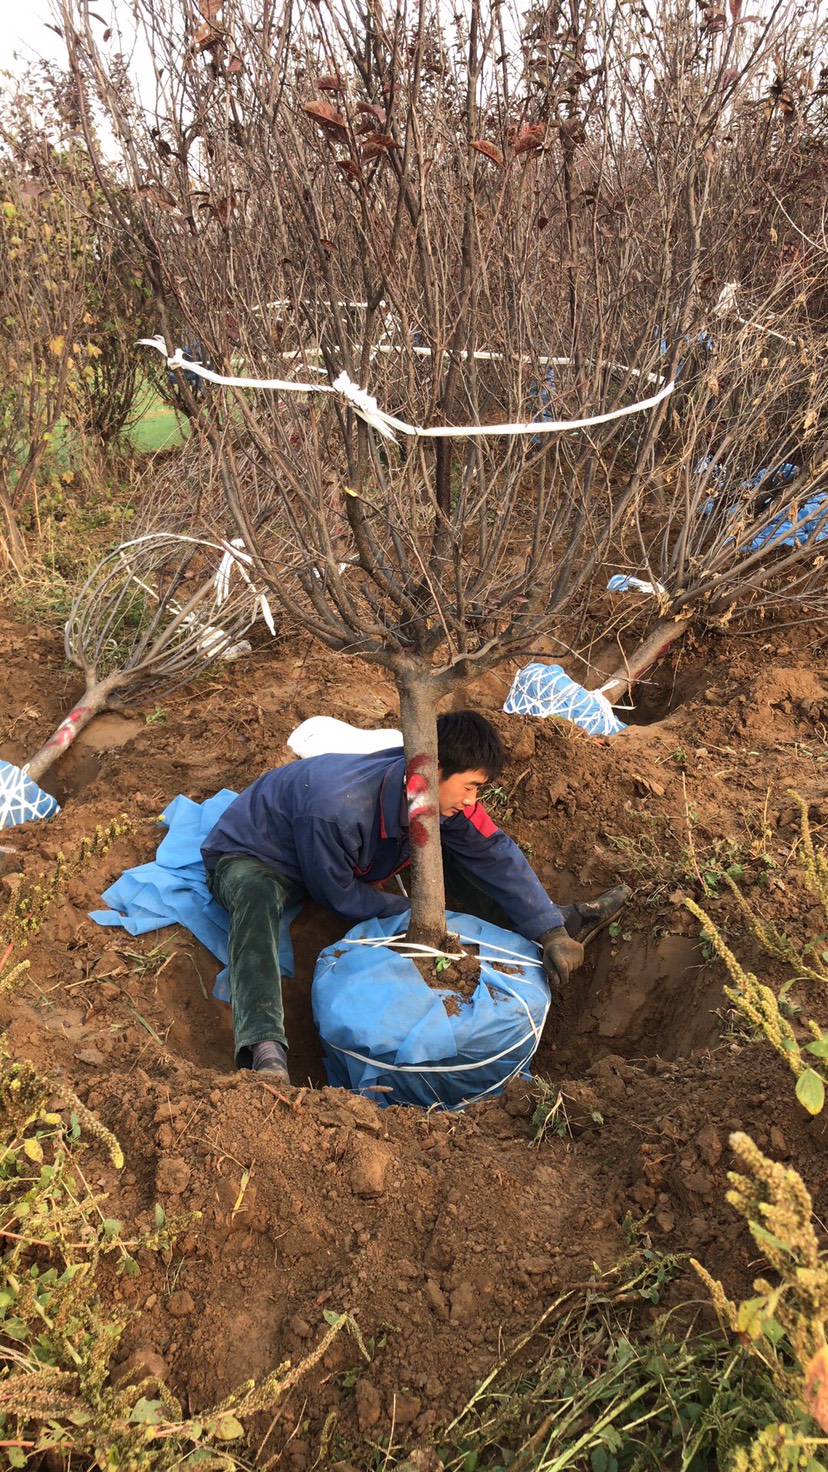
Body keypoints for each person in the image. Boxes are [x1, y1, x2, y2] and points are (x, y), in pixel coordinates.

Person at [201, 710, 629, 1084]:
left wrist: (549, 928)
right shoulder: (337, 809)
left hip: (339, 853)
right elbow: (339, 896)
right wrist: (425, 914)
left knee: (454, 856)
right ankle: (264, 1050)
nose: (471, 800)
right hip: (257, 853)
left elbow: (493, 851)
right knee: (255, 898)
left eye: (478, 789)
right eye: (469, 787)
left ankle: (557, 921)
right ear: (434, 770)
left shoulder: (432, 791)